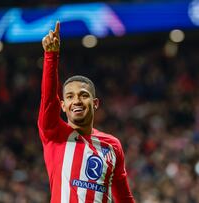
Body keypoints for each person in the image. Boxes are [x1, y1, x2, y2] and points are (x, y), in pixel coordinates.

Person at [38, 21, 135, 203]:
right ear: (63, 105)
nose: (77, 101)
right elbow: (48, 100)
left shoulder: (112, 146)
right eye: (70, 97)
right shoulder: (55, 134)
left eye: (83, 95)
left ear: (95, 103)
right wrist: (51, 56)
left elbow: (124, 197)